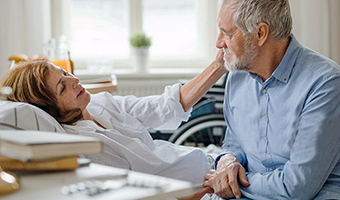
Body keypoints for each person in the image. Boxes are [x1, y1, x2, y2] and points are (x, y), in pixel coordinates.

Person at [0, 55, 227, 196]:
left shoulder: (101, 104)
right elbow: (130, 191)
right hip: (208, 188)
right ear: (50, 109)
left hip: (211, 164)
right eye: (62, 87)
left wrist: (219, 64)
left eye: (66, 73)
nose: (75, 80)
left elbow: (164, 106)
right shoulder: (78, 146)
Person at [203, 0, 340, 199]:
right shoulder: (237, 76)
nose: (219, 42)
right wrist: (227, 161)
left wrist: (234, 184)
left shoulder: (324, 83)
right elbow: (234, 143)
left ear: (260, 33)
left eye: (228, 33)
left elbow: (297, 187)